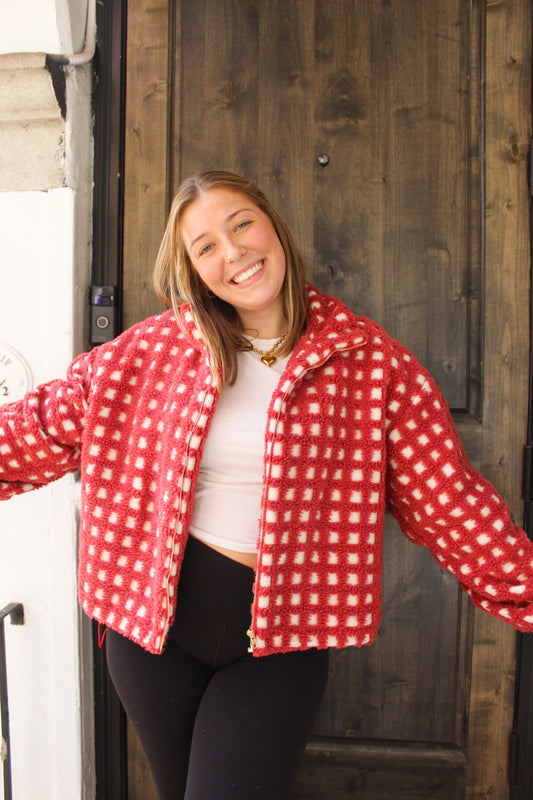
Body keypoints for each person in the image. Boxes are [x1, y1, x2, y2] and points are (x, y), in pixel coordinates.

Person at [1, 170, 533, 799]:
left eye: (241, 224)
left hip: (285, 639)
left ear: (273, 226)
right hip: (154, 633)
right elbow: (33, 429)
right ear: (194, 272)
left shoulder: (368, 363)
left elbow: (451, 504)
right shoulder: (146, 354)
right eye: (205, 248)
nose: (233, 253)